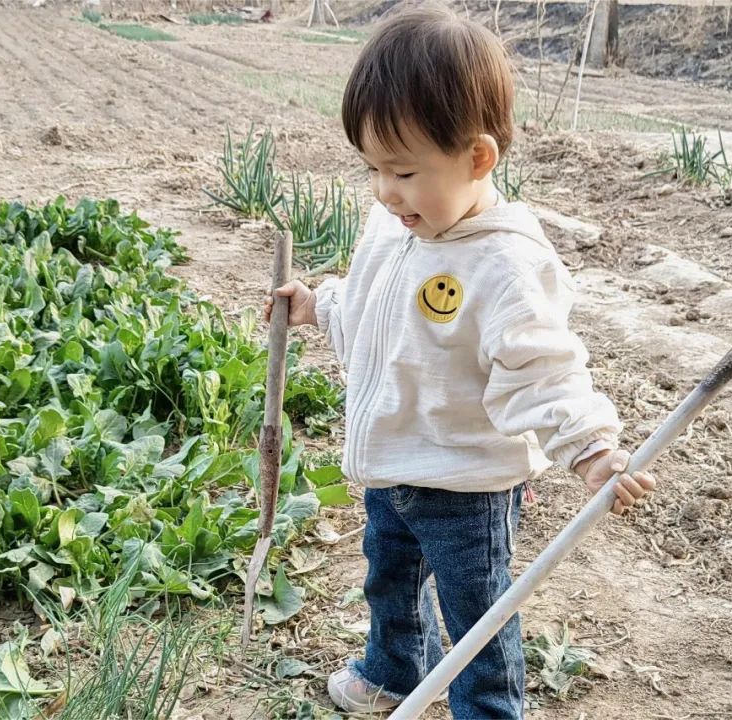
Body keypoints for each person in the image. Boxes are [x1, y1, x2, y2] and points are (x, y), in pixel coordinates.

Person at [262, 4, 657, 717]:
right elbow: (375, 308)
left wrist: (592, 448)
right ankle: (394, 671)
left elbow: (545, 369)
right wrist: (319, 306)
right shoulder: (397, 224)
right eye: (373, 169)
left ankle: (489, 710)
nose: (385, 191)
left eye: (404, 171)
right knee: (389, 581)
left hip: (466, 489)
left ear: (477, 159)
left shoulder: (504, 265)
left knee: (478, 613)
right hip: (393, 465)